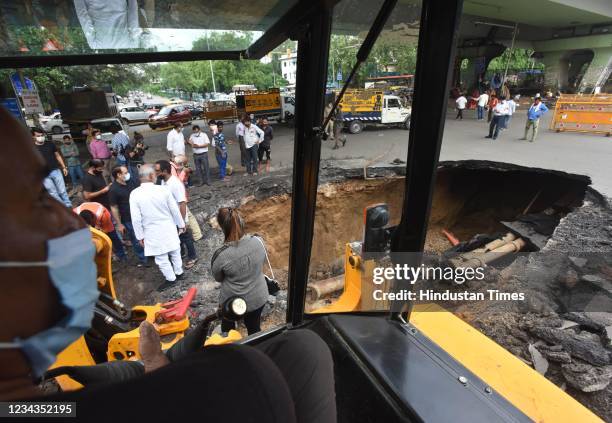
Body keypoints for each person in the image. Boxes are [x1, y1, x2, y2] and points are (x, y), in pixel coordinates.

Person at [1, 106, 337, 423]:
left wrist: (151, 364)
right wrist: (155, 362)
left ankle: (179, 279)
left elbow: (217, 274)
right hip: (254, 297)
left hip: (220, 289)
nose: (74, 224)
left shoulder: (218, 254)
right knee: (304, 348)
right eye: (36, 200)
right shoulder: (243, 380)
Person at [211, 207, 268, 335]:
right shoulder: (259, 241)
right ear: (241, 222)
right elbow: (262, 262)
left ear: (221, 226)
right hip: (258, 297)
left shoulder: (221, 255)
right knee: (254, 329)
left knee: (228, 330)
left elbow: (218, 278)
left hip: (232, 303)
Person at [130, 164, 185, 290]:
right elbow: (174, 210)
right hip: (169, 226)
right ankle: (179, 272)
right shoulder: (163, 190)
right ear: (151, 176)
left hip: (151, 230)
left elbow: (136, 218)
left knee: (161, 257)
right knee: (175, 251)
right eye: (155, 174)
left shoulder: (135, 194)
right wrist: (181, 225)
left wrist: (140, 236)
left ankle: (171, 278)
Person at [155, 160, 198, 270]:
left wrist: (182, 221)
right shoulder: (163, 181)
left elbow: (182, 203)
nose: (155, 173)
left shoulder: (175, 184)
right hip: (171, 217)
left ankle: (193, 257)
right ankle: (181, 253)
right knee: (176, 236)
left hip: (179, 216)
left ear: (165, 171)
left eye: (157, 171)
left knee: (186, 237)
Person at [109, 165, 147, 266]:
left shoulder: (132, 181)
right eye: (125, 173)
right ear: (118, 175)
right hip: (128, 218)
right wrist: (119, 224)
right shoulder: (113, 189)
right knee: (136, 239)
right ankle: (143, 259)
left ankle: (151, 253)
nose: (128, 174)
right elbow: (114, 207)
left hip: (142, 214)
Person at [32, 128, 71, 207]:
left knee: (62, 191)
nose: (41, 137)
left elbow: (58, 156)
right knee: (53, 193)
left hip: (56, 171)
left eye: (42, 135)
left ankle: (68, 205)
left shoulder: (50, 144)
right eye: (38, 136)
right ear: (33, 137)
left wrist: (64, 167)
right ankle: (64, 207)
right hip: (44, 175)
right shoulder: (31, 148)